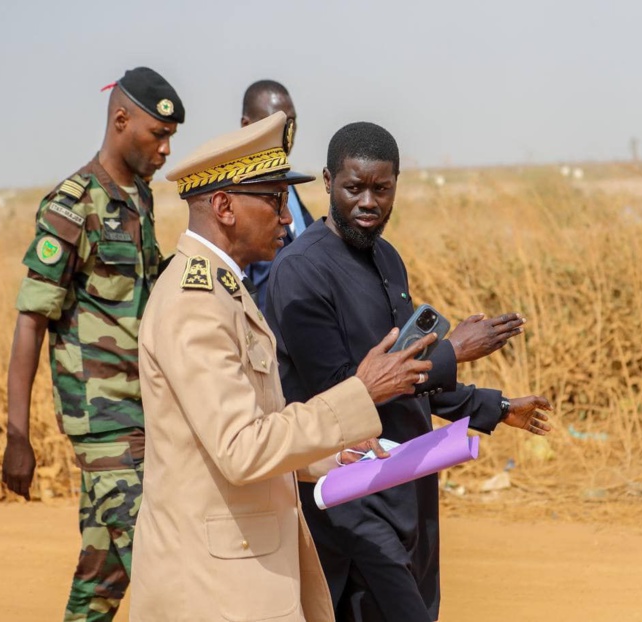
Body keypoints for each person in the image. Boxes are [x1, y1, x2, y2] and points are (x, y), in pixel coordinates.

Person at [130, 111, 436, 622]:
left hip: (236, 568)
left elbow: (249, 431)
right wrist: (361, 393)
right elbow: (241, 449)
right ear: (224, 206)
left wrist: (329, 457)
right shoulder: (195, 304)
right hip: (212, 585)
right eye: (273, 200)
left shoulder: (223, 290)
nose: (288, 218)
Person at [265, 122, 552, 622]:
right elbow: (342, 391)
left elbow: (415, 379)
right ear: (328, 181)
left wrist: (499, 407)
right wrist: (453, 351)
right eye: (354, 188)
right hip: (349, 492)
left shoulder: (387, 258)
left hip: (408, 486)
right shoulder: (302, 269)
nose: (368, 202)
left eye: (381, 188)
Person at [1, 66, 184, 621]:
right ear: (121, 120)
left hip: (145, 411)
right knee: (165, 567)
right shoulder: (72, 205)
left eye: (171, 137)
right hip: (104, 422)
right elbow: (31, 321)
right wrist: (17, 436)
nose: (166, 148)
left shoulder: (139, 197)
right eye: (158, 134)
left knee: (102, 580)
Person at [240, 79, 314, 311]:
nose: (288, 133)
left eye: (292, 122)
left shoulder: (288, 185)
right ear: (247, 125)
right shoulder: (239, 194)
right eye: (279, 123)